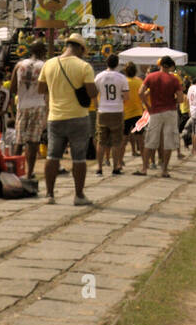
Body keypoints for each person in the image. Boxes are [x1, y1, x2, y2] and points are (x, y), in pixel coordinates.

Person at [37, 33, 98, 206]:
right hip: (78, 117)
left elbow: (41, 89)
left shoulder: (49, 64)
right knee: (78, 157)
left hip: (55, 117)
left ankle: (49, 194)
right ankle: (78, 196)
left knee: (52, 156)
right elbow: (93, 93)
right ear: (80, 48)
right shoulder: (84, 66)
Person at [138, 56, 183, 178]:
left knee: (150, 140)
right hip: (170, 112)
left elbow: (140, 92)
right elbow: (180, 98)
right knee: (168, 142)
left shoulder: (151, 76)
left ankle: (144, 168)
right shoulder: (174, 80)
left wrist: (148, 106)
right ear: (170, 66)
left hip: (155, 111)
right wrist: (172, 100)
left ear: (160, 65)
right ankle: (165, 170)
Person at [11, 41, 48, 180]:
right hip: (38, 105)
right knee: (33, 142)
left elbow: (13, 88)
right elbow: (46, 88)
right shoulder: (44, 66)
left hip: (22, 105)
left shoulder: (19, 65)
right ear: (43, 52)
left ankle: (14, 172)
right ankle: (29, 172)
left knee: (19, 141)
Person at [94, 54, 129, 175]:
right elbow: (126, 96)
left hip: (103, 110)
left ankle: (99, 167)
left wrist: (97, 105)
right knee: (116, 141)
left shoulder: (99, 76)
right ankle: (115, 167)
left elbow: (94, 93)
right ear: (117, 63)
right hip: (117, 110)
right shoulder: (121, 78)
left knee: (101, 141)